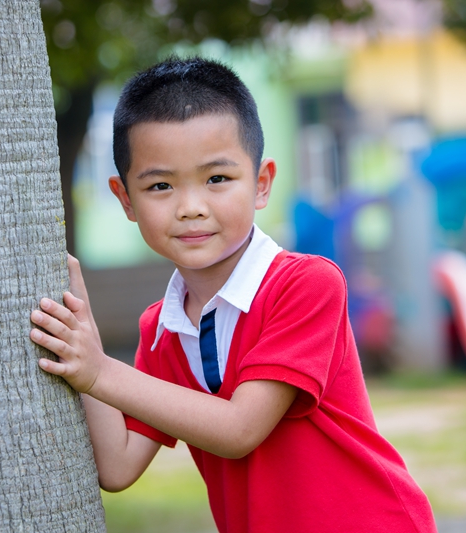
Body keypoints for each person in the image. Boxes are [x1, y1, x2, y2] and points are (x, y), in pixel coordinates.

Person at [29, 56, 437, 532]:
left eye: (217, 179)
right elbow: (117, 467)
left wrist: (99, 372)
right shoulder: (163, 328)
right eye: (160, 185)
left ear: (261, 184)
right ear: (126, 200)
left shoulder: (305, 284)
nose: (191, 207)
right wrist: (85, 346)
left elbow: (239, 429)